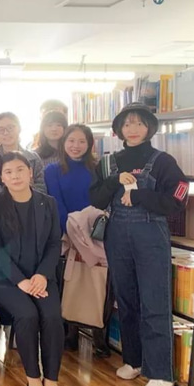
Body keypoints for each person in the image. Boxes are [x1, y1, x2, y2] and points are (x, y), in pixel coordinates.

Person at [90, 103, 188, 386]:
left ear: (149, 128)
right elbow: (95, 198)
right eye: (127, 124)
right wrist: (114, 181)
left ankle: (161, 374)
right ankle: (133, 360)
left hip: (150, 234)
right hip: (117, 234)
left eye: (139, 123)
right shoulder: (109, 162)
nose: (132, 129)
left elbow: (179, 197)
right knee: (126, 299)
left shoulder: (163, 161)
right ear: (119, 129)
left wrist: (141, 195)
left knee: (154, 301)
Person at [0, 152, 66, 386]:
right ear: (2, 178)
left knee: (52, 316)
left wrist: (42, 274)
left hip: (41, 276)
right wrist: (20, 280)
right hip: (5, 279)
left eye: (20, 170)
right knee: (27, 314)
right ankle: (33, 377)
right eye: (8, 172)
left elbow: (54, 243)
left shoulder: (47, 203)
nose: (15, 176)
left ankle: (51, 379)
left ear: (30, 173)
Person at [44, 124, 108, 355]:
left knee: (97, 280)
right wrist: (73, 233)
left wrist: (89, 235)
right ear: (64, 143)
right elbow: (56, 203)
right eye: (71, 141)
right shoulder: (52, 170)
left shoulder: (99, 168)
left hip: (95, 233)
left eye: (82, 141)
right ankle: (69, 332)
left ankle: (98, 333)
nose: (76, 146)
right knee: (69, 281)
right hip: (66, 233)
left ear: (90, 144)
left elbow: (103, 201)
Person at [0, 112, 46, 201]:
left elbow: (41, 189)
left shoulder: (33, 158)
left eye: (10, 128)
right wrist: (20, 197)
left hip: (31, 207)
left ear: (19, 129)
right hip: (0, 208)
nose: (6, 133)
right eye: (1, 129)